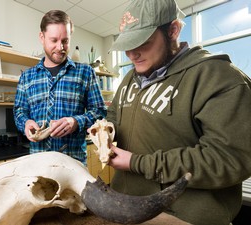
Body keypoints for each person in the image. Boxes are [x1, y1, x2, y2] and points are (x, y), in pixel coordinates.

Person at [105, 0, 251, 224]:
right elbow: (114, 116)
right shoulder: (129, 78)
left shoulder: (217, 77)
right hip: (124, 204)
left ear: (173, 30)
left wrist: (137, 162)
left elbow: (230, 158)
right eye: (128, 44)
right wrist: (105, 132)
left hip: (181, 215)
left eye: (143, 42)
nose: (132, 55)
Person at [14, 10, 106, 165]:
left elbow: (100, 112)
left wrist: (76, 122)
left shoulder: (85, 72)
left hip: (73, 165)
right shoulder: (26, 77)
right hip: (38, 165)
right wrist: (26, 123)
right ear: (42, 37)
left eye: (65, 40)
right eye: (54, 40)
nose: (60, 47)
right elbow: (19, 111)